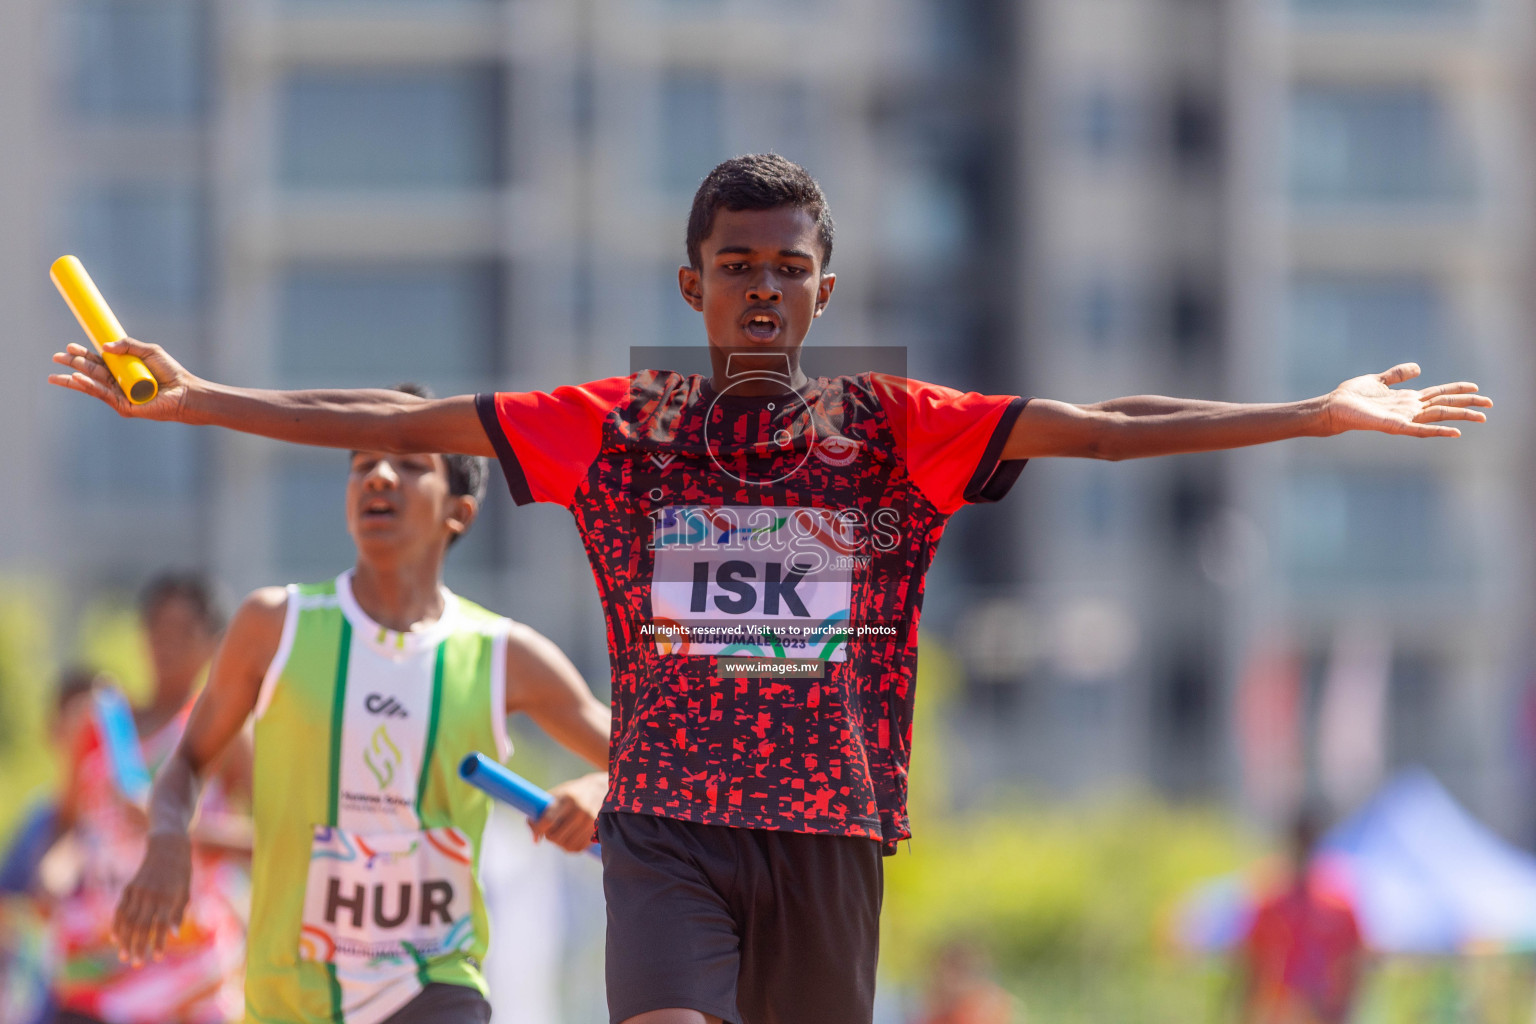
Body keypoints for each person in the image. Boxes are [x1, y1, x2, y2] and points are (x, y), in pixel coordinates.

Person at [50, 154, 1490, 1024]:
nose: (757, 290)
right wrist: (201, 400)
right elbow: (411, 414)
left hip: (826, 833)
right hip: (669, 825)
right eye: (732, 267)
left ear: (823, 291)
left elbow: (1104, 422)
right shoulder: (623, 422)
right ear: (690, 287)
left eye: (784, 270)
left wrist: (1312, 414)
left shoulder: (890, 427)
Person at [109, 385, 611, 1024]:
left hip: (436, 981)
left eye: (410, 464)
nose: (379, 474)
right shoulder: (274, 625)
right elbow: (185, 765)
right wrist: (166, 841)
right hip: (291, 993)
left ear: (459, 512)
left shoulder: (503, 652)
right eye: (361, 463)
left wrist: (598, 787)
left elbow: (647, 762)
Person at [50, 578, 250, 1024]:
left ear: (213, 642)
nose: (167, 645)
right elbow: (68, 825)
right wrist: (55, 869)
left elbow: (272, 841)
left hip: (189, 975)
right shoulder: (101, 723)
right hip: (98, 967)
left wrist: (169, 827)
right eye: (157, 629)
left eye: (183, 632)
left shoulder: (227, 732)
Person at [1238, 810, 1366, 1024]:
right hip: (1279, 1013)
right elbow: (1254, 968)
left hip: (1322, 1014)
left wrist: (1341, 1010)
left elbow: (1354, 965)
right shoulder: (1270, 902)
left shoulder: (1338, 904)